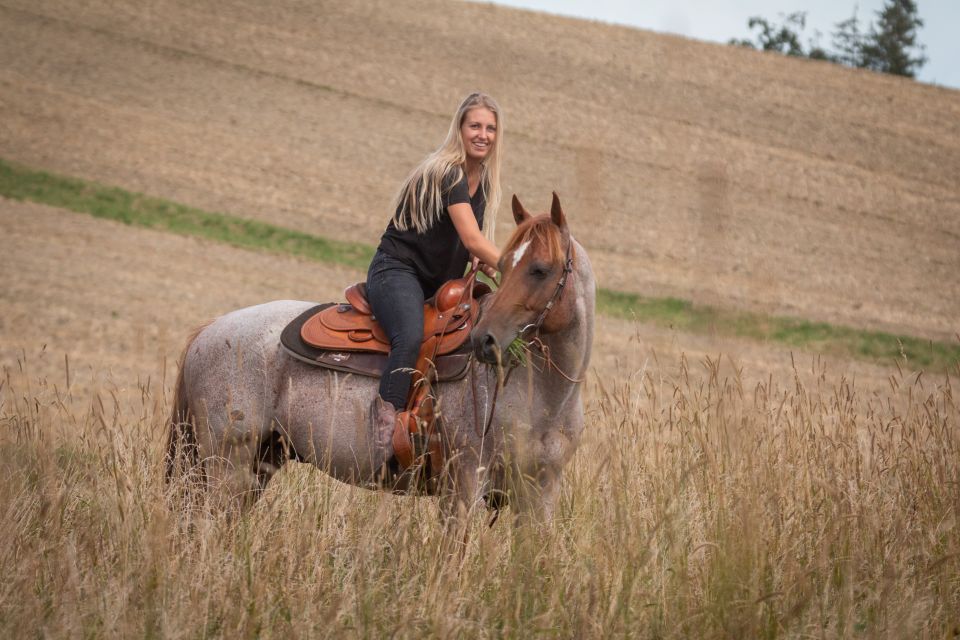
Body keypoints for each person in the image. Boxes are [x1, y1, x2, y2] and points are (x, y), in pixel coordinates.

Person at [365, 92, 503, 460]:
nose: (483, 135)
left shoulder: (483, 180)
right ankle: (385, 426)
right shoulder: (450, 172)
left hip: (435, 284)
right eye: (475, 125)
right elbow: (474, 237)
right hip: (396, 271)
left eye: (490, 128)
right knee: (409, 337)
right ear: (459, 128)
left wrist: (496, 269)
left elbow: (471, 245)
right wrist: (513, 264)